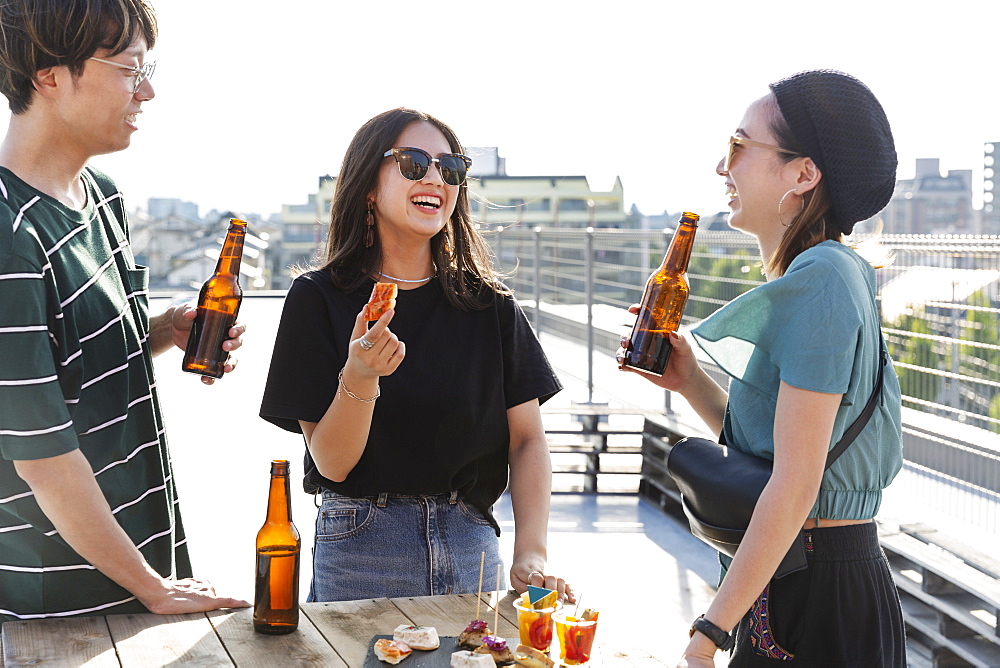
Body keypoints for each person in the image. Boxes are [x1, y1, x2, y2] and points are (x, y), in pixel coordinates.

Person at [620, 70, 906, 666]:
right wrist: (692, 381)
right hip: (812, 577)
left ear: (803, 174)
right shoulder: (828, 271)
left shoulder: (822, 279)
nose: (722, 167)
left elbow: (797, 485)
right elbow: (787, 453)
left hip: (815, 591)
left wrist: (709, 633)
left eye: (738, 146)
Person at [260, 108, 575, 603]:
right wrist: (361, 375)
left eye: (449, 167)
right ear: (368, 183)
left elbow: (528, 442)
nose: (435, 177)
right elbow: (334, 465)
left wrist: (531, 551)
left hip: (472, 540)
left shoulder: (490, 306)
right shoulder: (317, 298)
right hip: (361, 542)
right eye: (413, 162)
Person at [0, 0, 248, 621]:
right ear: (49, 74)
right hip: (58, 600)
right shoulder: (9, 234)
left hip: (136, 568)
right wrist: (153, 587)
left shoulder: (101, 197)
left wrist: (166, 330)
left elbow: (74, 358)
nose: (150, 91)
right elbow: (41, 453)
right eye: (131, 68)